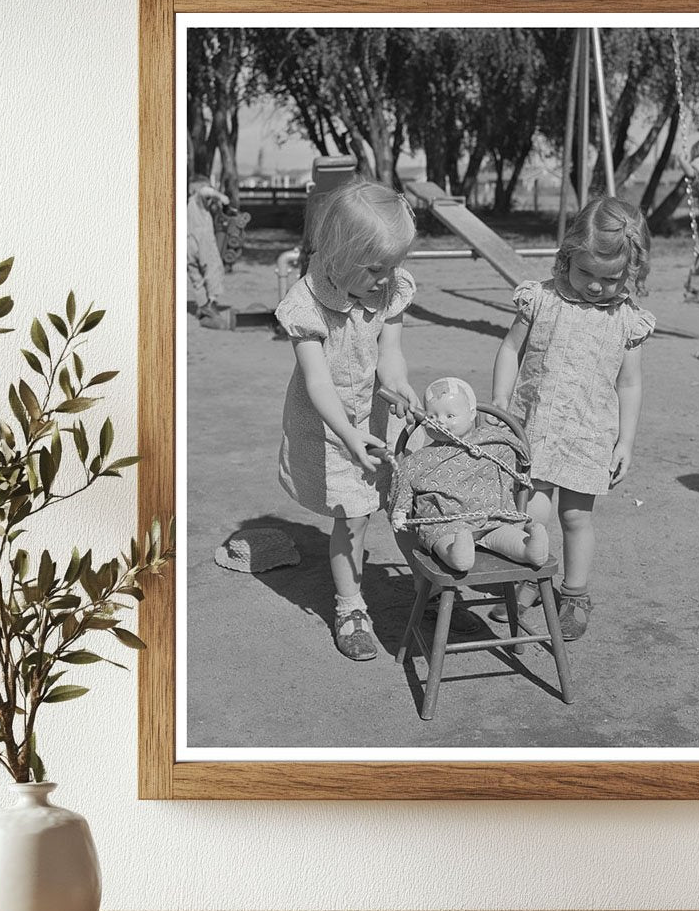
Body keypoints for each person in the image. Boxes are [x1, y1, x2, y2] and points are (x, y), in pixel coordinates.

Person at [490, 197, 656, 641]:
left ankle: (576, 593)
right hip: (536, 426)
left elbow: (630, 384)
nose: (597, 287)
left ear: (631, 272)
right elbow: (510, 349)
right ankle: (531, 574)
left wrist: (625, 442)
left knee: (577, 517)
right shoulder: (540, 299)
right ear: (567, 256)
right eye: (586, 274)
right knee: (531, 511)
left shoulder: (627, 321)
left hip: (589, 435)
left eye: (611, 278)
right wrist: (501, 400)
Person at [275, 178, 420, 661]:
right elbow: (318, 383)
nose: (388, 278)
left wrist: (397, 385)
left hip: (373, 412)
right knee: (353, 516)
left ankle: (426, 579)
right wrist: (350, 435)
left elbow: (390, 353)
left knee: (395, 499)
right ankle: (350, 606)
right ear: (338, 254)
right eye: (376, 267)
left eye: (394, 265)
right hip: (331, 424)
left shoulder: (389, 290)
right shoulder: (307, 303)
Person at [388, 377, 549, 573]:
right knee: (442, 540)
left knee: (507, 534)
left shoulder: (490, 441)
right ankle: (457, 553)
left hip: (492, 518)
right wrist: (400, 511)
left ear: (472, 414)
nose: (440, 421)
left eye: (450, 416)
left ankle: (529, 549)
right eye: (432, 415)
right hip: (446, 525)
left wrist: (508, 435)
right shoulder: (419, 459)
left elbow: (521, 451)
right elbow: (403, 482)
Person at [186, 174, 229, 324]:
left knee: (195, 275)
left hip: (188, 244)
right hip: (203, 242)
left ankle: (202, 305)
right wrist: (221, 196)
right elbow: (205, 192)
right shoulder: (198, 200)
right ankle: (211, 302)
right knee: (213, 269)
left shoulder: (188, 205)